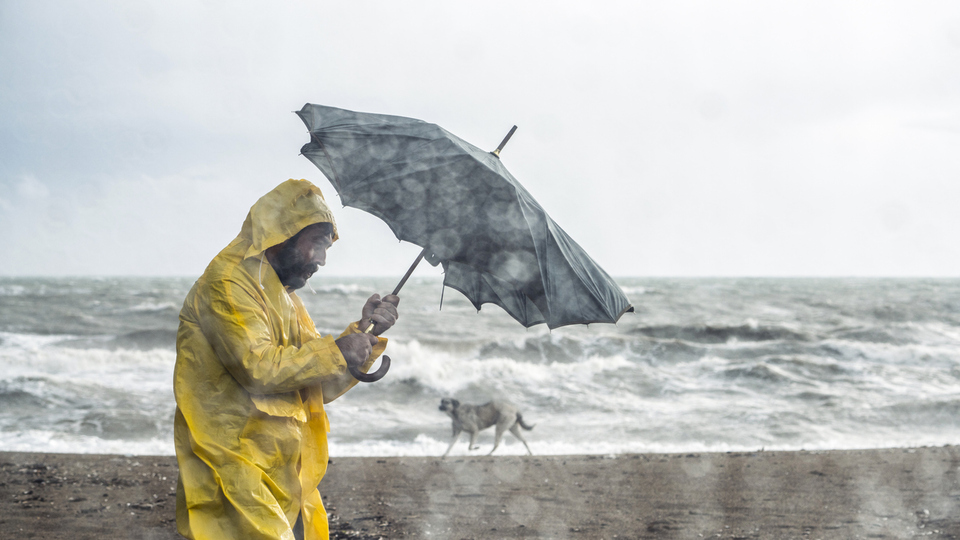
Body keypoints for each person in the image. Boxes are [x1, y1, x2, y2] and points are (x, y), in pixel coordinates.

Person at [173, 179, 399, 540]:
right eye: (319, 245)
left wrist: (363, 336)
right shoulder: (228, 285)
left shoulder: (281, 293)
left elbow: (314, 384)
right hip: (232, 458)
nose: (323, 260)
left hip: (281, 464)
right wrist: (338, 351)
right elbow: (258, 369)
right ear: (282, 234)